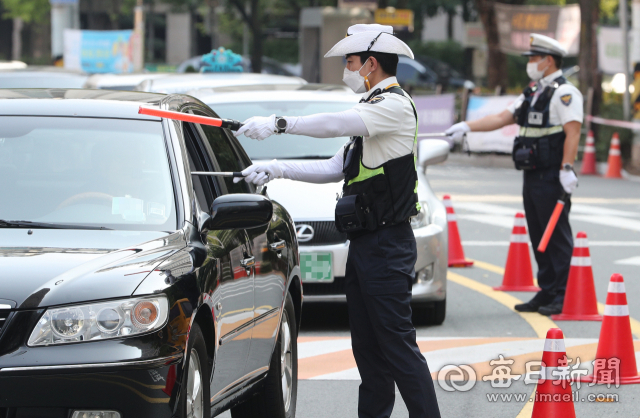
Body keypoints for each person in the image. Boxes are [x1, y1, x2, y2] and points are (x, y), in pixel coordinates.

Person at [234, 24, 441, 418]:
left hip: (387, 245)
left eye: (350, 62)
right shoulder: (371, 109)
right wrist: (275, 168)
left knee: (397, 346)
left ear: (371, 64)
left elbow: (333, 123)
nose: (346, 70)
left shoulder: (391, 105)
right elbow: (335, 167)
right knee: (368, 351)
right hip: (365, 245)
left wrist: (280, 124)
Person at [446, 34, 583, 316]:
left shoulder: (565, 93)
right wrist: (466, 127)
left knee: (554, 236)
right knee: (537, 234)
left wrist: (567, 169)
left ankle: (562, 294)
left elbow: (573, 132)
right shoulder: (533, 91)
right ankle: (546, 291)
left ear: (548, 61)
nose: (530, 63)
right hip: (531, 174)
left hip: (553, 175)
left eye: (534, 58)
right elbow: (500, 119)